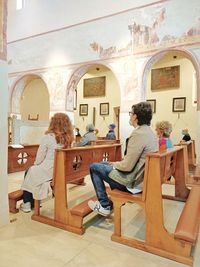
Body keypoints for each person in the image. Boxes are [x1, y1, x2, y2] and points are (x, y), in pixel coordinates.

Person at [88, 101, 158, 216]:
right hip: (141, 178)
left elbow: (127, 166)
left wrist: (115, 165)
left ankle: (105, 206)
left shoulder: (139, 134)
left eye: (131, 113)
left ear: (136, 116)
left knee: (94, 167)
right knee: (103, 164)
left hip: (132, 182)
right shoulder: (149, 132)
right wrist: (114, 163)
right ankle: (108, 202)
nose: (130, 115)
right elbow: (131, 162)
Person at [20, 113, 74, 212]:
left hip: (49, 170)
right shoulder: (70, 139)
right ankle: (36, 202)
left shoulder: (48, 137)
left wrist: (35, 165)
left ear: (53, 123)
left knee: (30, 171)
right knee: (33, 172)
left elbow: (40, 157)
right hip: (62, 170)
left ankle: (27, 203)